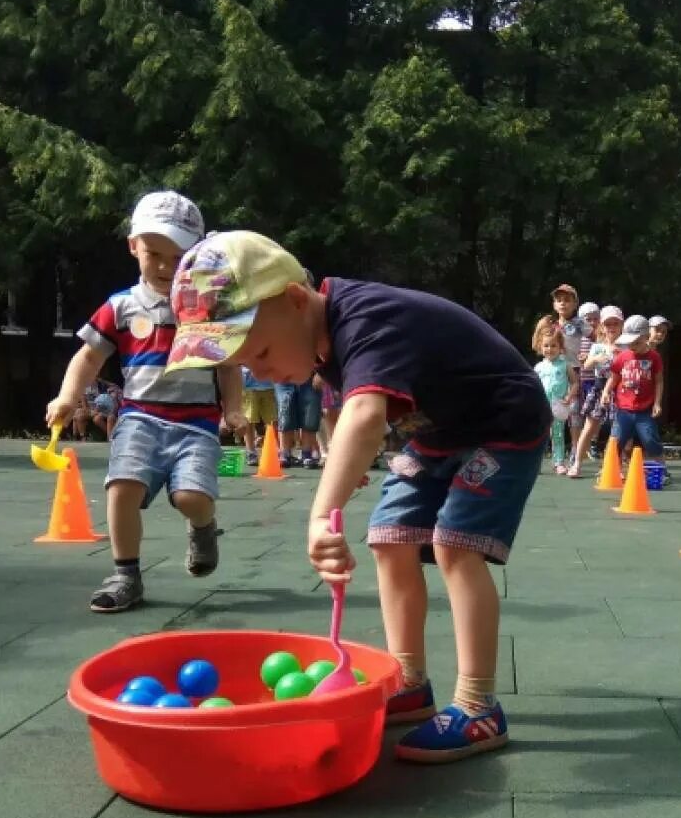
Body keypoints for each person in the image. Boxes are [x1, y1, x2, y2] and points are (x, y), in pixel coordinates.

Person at [164, 230, 549, 763]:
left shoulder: (366, 319)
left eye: (263, 352)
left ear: (295, 300)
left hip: (503, 423)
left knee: (454, 546)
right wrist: (349, 466)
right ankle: (410, 680)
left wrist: (322, 512)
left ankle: (478, 705)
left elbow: (365, 415)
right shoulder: (320, 339)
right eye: (247, 366)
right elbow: (373, 407)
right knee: (389, 538)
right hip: (438, 431)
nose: (260, 373)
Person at [45, 191, 245, 612]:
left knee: (191, 497)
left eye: (178, 258)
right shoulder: (120, 306)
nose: (164, 267)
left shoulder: (209, 308)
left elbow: (227, 365)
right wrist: (69, 396)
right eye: (154, 253)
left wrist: (234, 408)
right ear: (133, 245)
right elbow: (89, 355)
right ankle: (126, 575)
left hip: (196, 424)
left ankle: (203, 526)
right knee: (122, 489)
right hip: (139, 416)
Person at [600, 314, 664, 468]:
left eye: (635, 343)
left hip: (644, 411)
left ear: (646, 337)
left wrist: (657, 403)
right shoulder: (623, 356)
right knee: (616, 439)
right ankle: (610, 470)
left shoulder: (654, 357)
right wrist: (606, 392)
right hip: (624, 410)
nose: (631, 346)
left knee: (650, 439)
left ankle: (661, 469)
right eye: (628, 343)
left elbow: (659, 381)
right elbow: (613, 378)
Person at [568, 305, 624, 478]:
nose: (612, 327)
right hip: (600, 387)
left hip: (620, 389)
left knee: (619, 429)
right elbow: (586, 365)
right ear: (602, 326)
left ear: (621, 326)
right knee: (590, 426)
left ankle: (613, 466)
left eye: (615, 323)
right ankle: (577, 462)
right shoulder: (598, 346)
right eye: (608, 324)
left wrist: (620, 355)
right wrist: (596, 358)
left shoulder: (626, 346)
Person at [533, 326, 578, 474]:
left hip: (558, 405)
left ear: (560, 347)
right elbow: (533, 386)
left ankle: (558, 462)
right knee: (539, 435)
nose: (550, 349)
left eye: (553, 345)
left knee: (558, 434)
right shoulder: (538, 367)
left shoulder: (565, 365)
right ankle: (535, 462)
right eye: (546, 345)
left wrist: (570, 395)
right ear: (540, 346)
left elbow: (575, 382)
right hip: (541, 406)